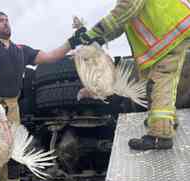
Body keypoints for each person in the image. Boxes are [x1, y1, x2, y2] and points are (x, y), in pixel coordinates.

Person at [0, 11, 81, 181]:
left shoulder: (21, 51)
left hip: (12, 107)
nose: (5, 23)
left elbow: (51, 56)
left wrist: (73, 42)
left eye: (7, 20)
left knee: (12, 153)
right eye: (0, 21)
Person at [68, 0, 190, 150]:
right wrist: (99, 38)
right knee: (163, 80)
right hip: (172, 29)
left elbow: (125, 11)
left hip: (169, 31)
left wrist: (92, 33)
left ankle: (160, 135)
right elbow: (121, 23)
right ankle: (165, 121)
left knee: (160, 80)